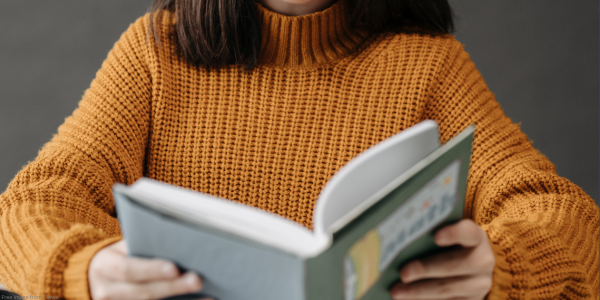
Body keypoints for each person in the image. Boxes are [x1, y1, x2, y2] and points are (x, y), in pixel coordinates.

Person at [0, 0, 598, 299]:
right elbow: (28, 207)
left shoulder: (430, 68)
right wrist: (85, 273)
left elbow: (570, 220)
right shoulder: (157, 53)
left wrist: (504, 269)